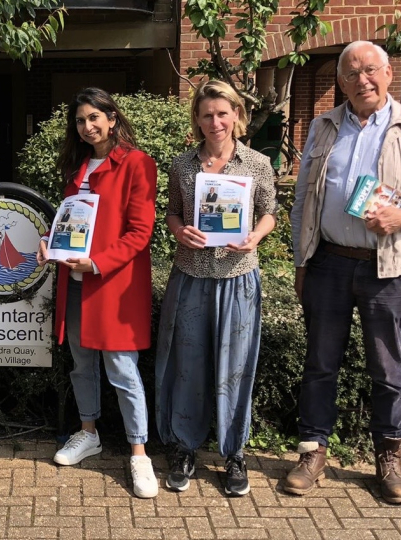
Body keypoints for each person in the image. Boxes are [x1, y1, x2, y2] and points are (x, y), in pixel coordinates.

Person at [287, 41, 401, 505]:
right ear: (340, 82)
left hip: (388, 269)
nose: (362, 80)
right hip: (328, 262)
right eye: (351, 73)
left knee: (388, 368)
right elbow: (304, 198)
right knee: (321, 364)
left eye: (370, 70)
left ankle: (389, 457)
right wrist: (300, 260)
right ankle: (312, 451)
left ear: (388, 74)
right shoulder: (323, 126)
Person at [155, 80, 277, 497]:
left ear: (237, 115)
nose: (215, 121)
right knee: (187, 363)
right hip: (190, 274)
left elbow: (270, 213)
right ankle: (185, 447)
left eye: (222, 113)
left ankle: (233, 453)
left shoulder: (257, 164)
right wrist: (179, 231)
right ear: (197, 119)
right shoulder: (182, 165)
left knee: (235, 367)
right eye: (207, 114)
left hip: (237, 275)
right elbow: (172, 212)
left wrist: (255, 237)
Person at [36, 87, 158, 499]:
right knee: (81, 363)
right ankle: (88, 433)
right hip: (75, 282)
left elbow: (140, 233)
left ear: (111, 118)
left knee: (123, 370)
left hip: (112, 284)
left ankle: (139, 453)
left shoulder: (138, 164)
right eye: (80, 121)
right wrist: (49, 242)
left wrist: (98, 262)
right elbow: (72, 223)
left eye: (94, 118)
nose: (87, 127)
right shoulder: (77, 168)